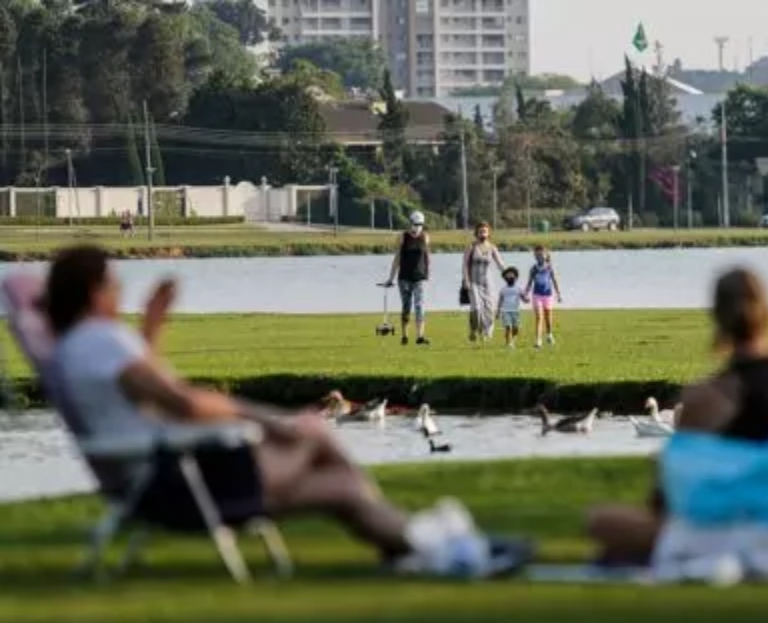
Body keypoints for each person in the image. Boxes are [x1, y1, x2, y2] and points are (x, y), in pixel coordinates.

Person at [42, 245, 508, 574]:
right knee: (314, 431)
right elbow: (179, 400)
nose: (119, 290)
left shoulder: (79, 348)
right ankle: (434, 545)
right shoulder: (100, 341)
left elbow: (139, 398)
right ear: (93, 291)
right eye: (113, 283)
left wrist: (150, 332)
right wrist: (262, 419)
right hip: (181, 482)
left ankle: (416, 549)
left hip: (160, 479)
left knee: (343, 486)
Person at [586, 268, 768, 566]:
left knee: (600, 521)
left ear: (717, 317)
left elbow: (666, 500)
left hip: (746, 532)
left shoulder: (709, 396)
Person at [382, 211, 431, 345]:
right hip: (404, 277)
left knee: (420, 306)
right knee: (406, 306)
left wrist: (428, 273)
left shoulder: (425, 237)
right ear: (410, 223)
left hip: (419, 277)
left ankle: (420, 336)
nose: (417, 227)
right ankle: (404, 336)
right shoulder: (402, 237)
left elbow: (427, 256)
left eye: (420, 224)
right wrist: (391, 278)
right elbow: (397, 258)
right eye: (415, 224)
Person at [461, 222, 505, 342]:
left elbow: (500, 264)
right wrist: (466, 280)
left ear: (489, 233)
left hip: (488, 283)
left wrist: (508, 274)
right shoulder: (471, 247)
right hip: (474, 282)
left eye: (485, 231)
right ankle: (473, 329)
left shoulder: (492, 248)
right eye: (481, 232)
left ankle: (486, 333)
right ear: (476, 233)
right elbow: (465, 265)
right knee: (476, 309)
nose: (483, 234)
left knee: (490, 310)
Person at [524, 245, 562, 349]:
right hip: (537, 295)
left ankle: (549, 334)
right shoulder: (533, 269)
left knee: (548, 317)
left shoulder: (550, 267)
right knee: (539, 317)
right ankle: (538, 341)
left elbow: (554, 280)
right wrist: (525, 293)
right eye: (537, 255)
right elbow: (529, 282)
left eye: (541, 255)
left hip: (548, 295)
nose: (539, 257)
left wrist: (558, 294)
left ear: (546, 255)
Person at [496, 266, 525, 349]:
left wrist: (526, 299)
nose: (510, 278)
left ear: (516, 277)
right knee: (508, 327)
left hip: (516, 311)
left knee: (516, 328)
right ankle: (508, 343)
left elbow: (524, 298)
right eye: (508, 276)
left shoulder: (518, 289)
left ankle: (512, 340)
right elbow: (500, 301)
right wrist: (498, 312)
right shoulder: (503, 290)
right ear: (505, 278)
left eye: (512, 276)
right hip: (505, 311)